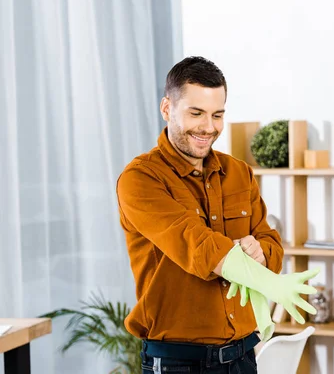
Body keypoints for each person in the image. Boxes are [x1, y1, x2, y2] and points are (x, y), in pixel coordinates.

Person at [116, 56, 316, 374]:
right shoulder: (141, 179)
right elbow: (197, 246)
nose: (209, 127)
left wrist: (260, 254)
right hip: (177, 362)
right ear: (167, 108)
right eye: (196, 113)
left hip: (242, 355)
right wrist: (264, 279)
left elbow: (270, 241)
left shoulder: (238, 172)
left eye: (217, 115)